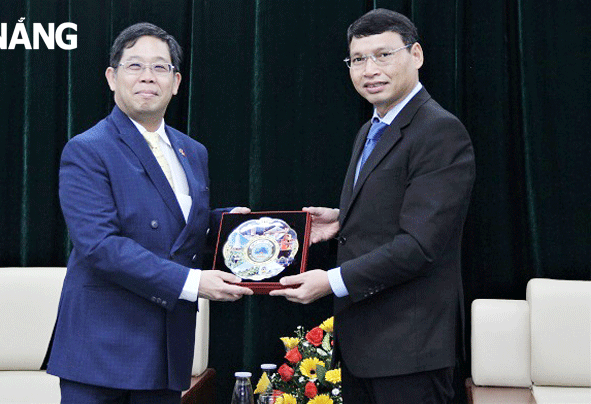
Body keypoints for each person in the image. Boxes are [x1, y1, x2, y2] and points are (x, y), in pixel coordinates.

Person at [270, 9, 475, 404]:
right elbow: (397, 211)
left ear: (415, 55)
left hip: (410, 352)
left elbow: (420, 245)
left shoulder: (439, 130)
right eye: (358, 59)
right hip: (364, 347)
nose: (369, 70)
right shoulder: (371, 128)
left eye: (383, 55)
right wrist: (342, 219)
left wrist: (330, 281)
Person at [46, 22, 253, 404]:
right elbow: (100, 246)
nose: (147, 77)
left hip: (166, 343)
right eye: (134, 66)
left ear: (176, 82)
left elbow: (179, 225)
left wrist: (237, 227)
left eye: (160, 67)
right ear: (111, 77)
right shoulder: (88, 149)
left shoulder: (194, 151)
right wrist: (193, 284)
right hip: (103, 345)